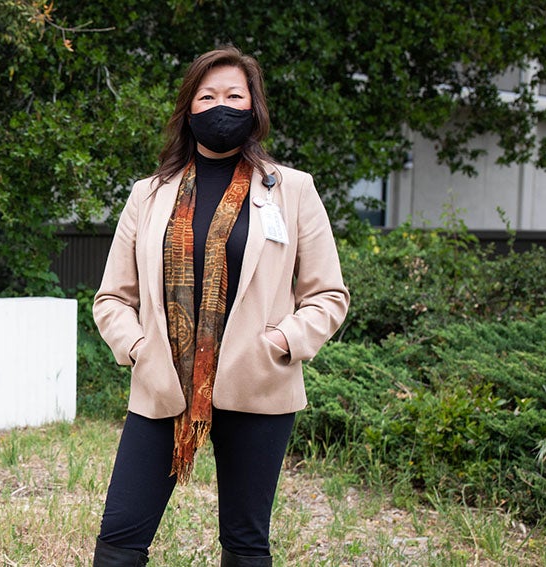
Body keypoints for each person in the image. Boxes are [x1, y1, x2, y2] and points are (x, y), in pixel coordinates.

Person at [91, 46, 350, 567]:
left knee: (245, 541)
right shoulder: (149, 194)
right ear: (189, 108)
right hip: (163, 380)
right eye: (207, 96)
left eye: (235, 94)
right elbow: (112, 298)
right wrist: (140, 348)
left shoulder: (292, 190)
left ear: (254, 107)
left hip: (257, 384)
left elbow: (327, 295)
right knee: (119, 541)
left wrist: (279, 342)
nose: (221, 106)